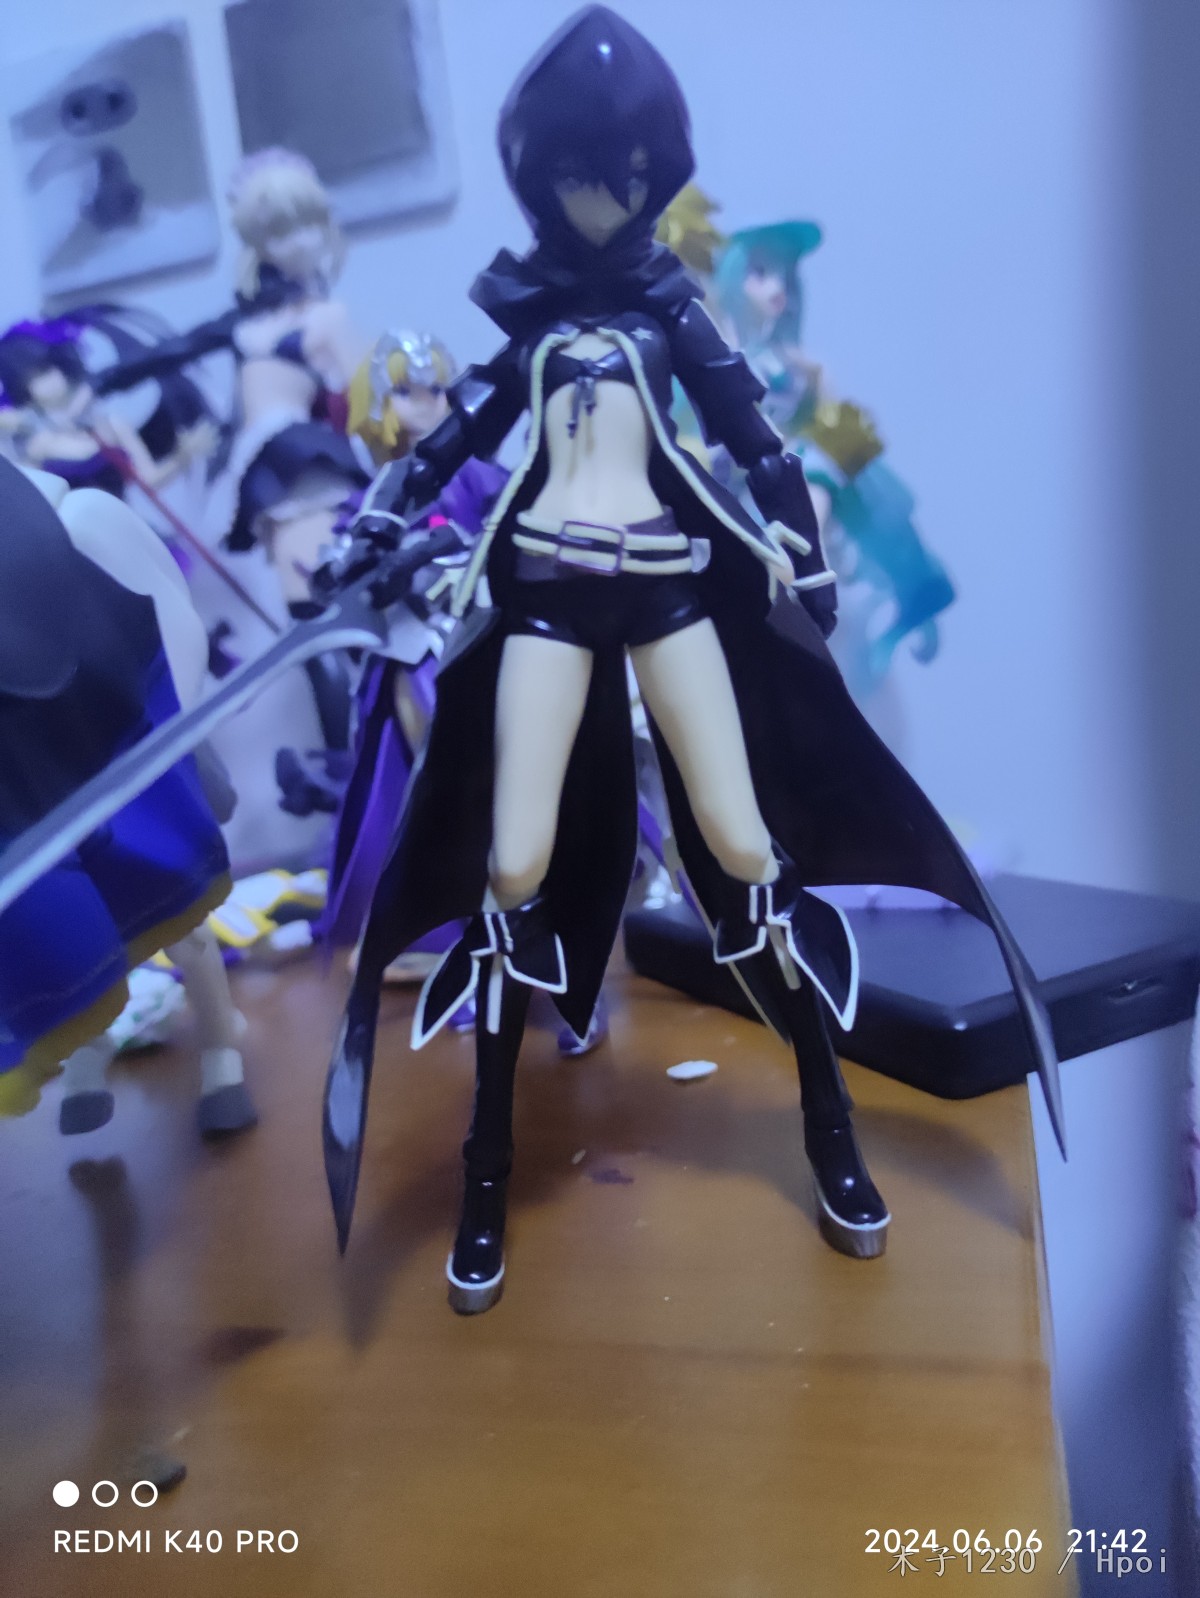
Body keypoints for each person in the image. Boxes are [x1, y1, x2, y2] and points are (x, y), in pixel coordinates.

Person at [323, 6, 1057, 1313]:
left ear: (652, 176)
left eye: (621, 174)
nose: (598, 199)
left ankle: (827, 1120)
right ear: (539, 179)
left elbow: (761, 447)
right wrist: (380, 514)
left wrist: (806, 559)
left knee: (742, 847)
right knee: (511, 864)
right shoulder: (532, 322)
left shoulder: (672, 313)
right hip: (547, 599)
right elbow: (453, 441)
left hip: (668, 594)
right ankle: (487, 1164)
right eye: (574, 175)